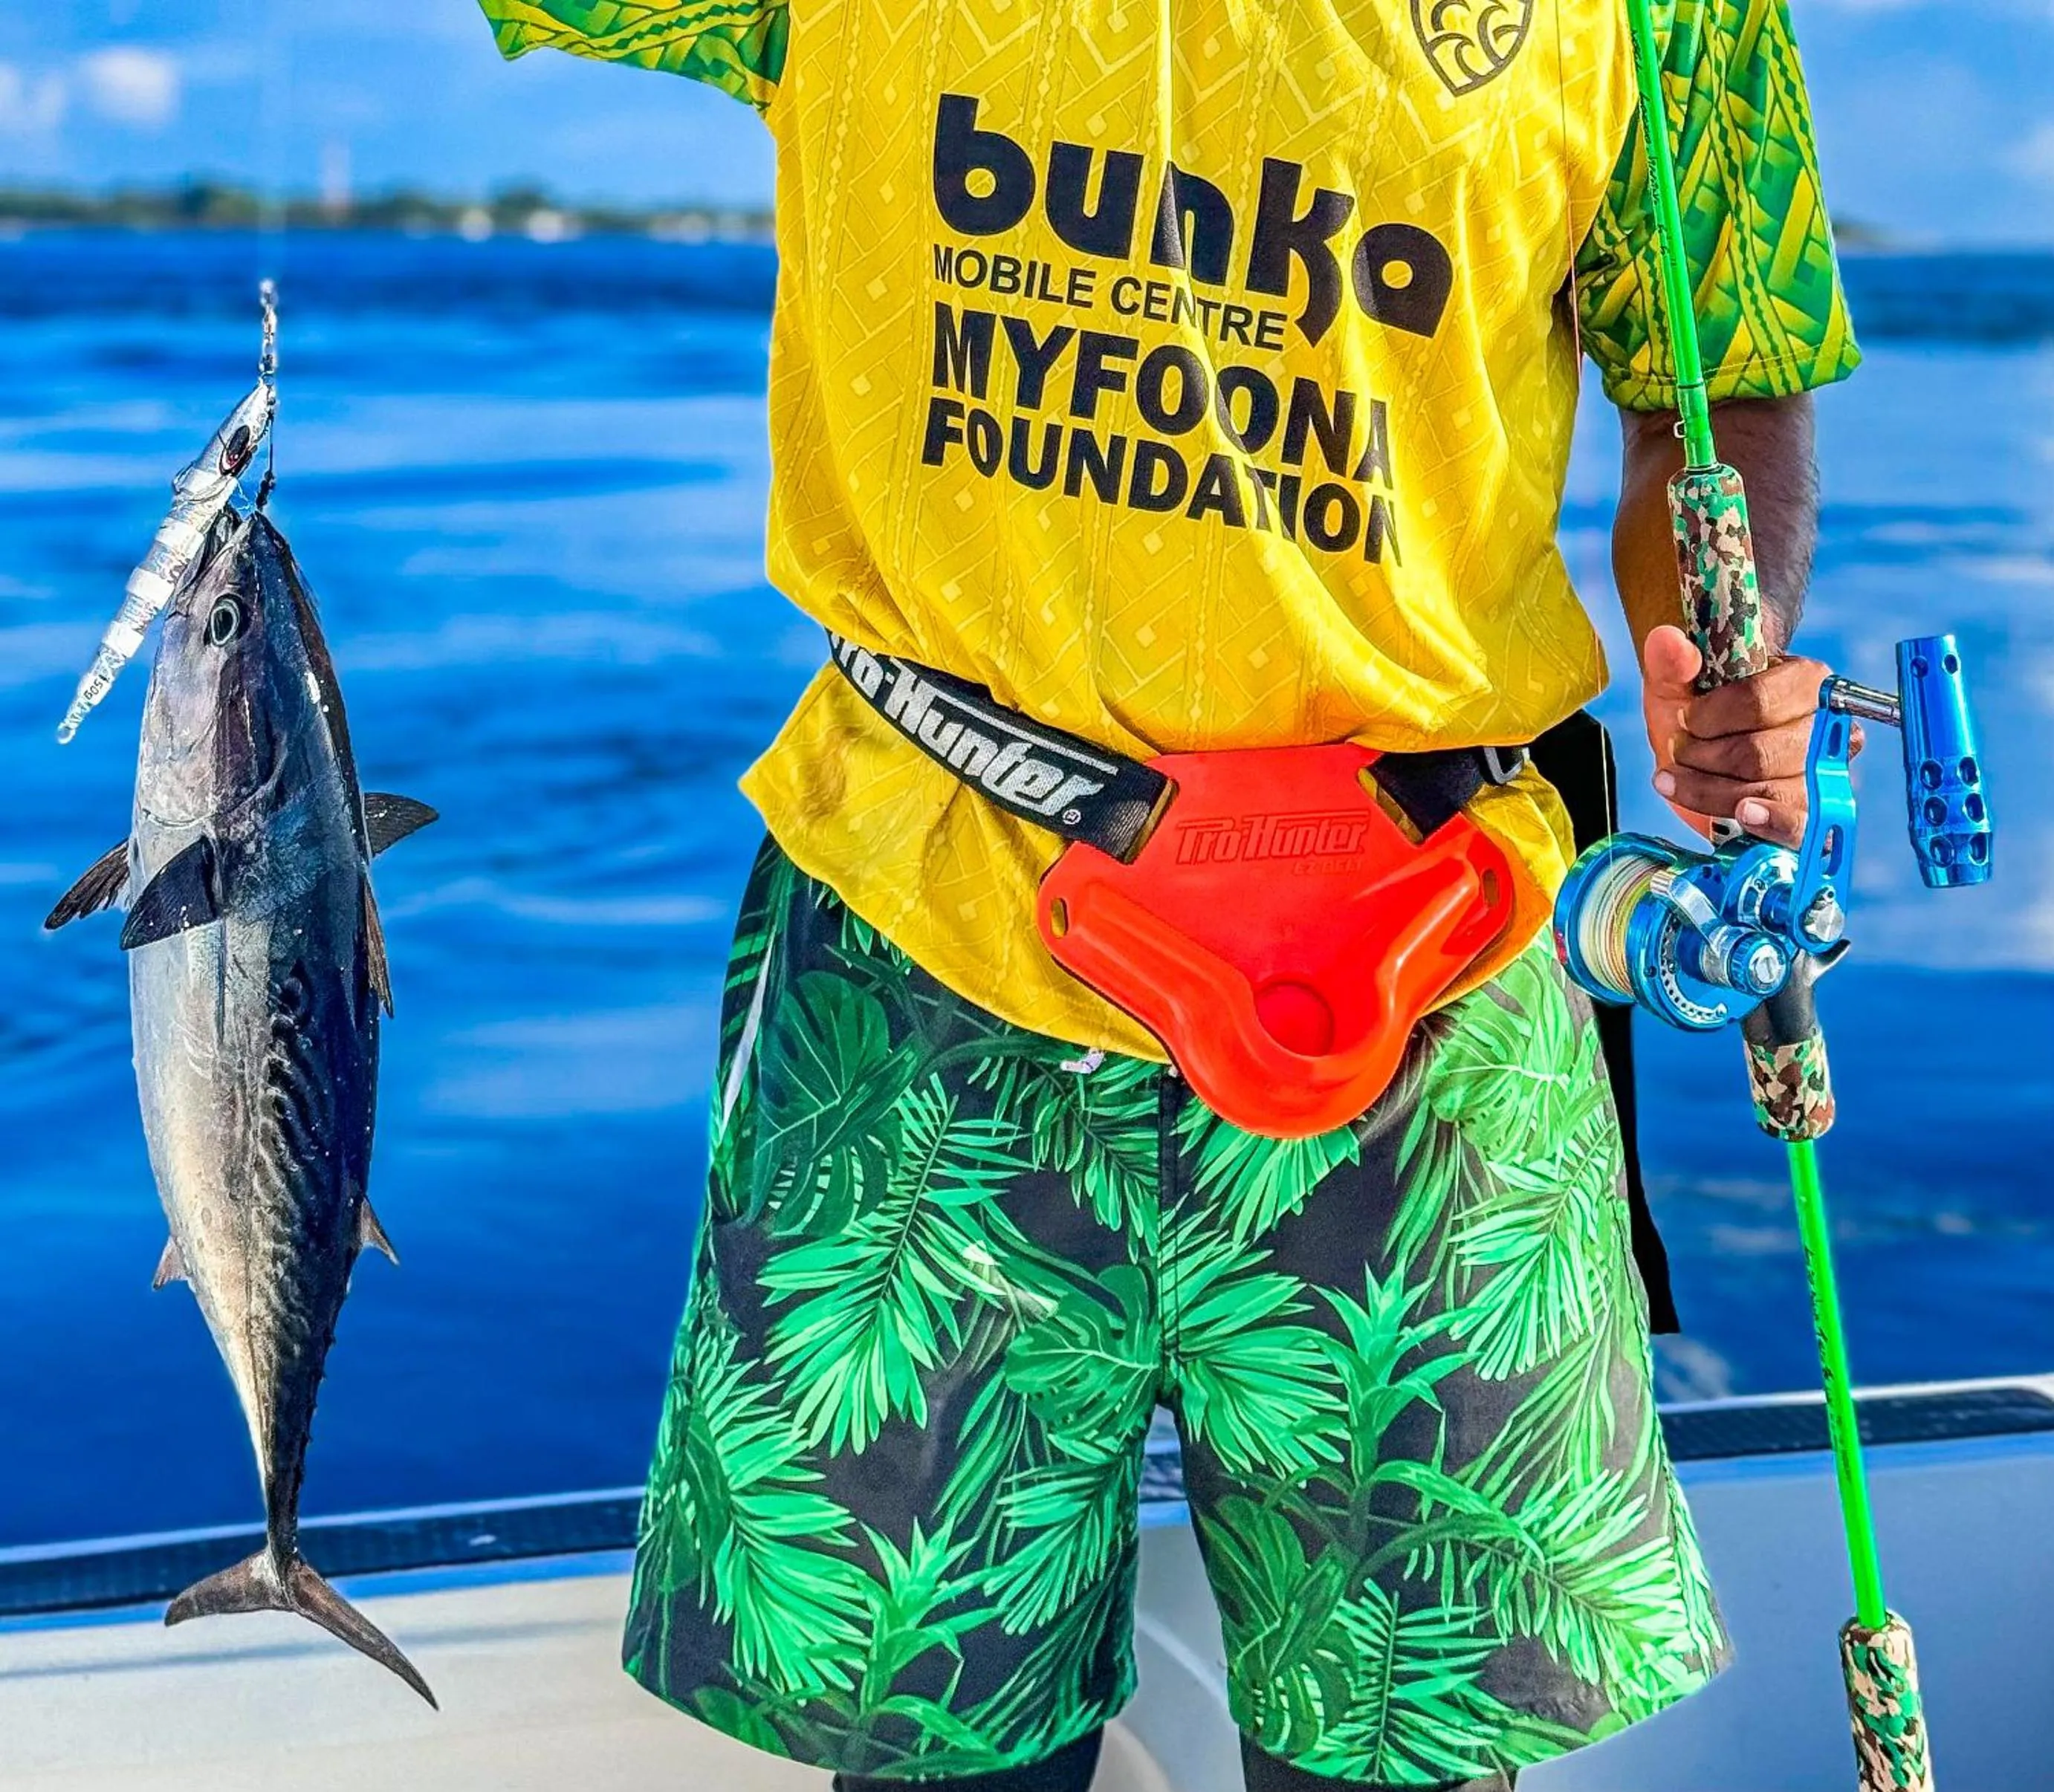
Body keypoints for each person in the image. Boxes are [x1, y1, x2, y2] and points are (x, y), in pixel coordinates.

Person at [479, 1, 1858, 1787]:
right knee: (928, 1760)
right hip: (929, 935)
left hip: (1427, 962)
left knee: (1408, 1759)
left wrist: (1706, 631)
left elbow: (1721, 380)